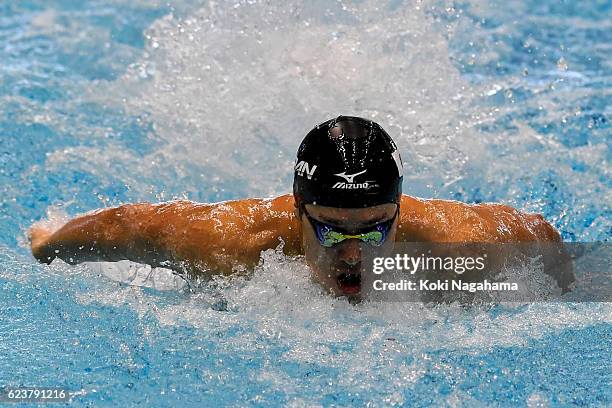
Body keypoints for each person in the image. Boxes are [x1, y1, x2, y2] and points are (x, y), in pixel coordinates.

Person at [29, 116, 570, 299]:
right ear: (298, 212)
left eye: (376, 228)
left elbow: (542, 236)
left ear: (399, 213)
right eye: (332, 231)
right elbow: (131, 226)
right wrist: (48, 243)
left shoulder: (458, 248)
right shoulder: (230, 245)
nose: (355, 253)